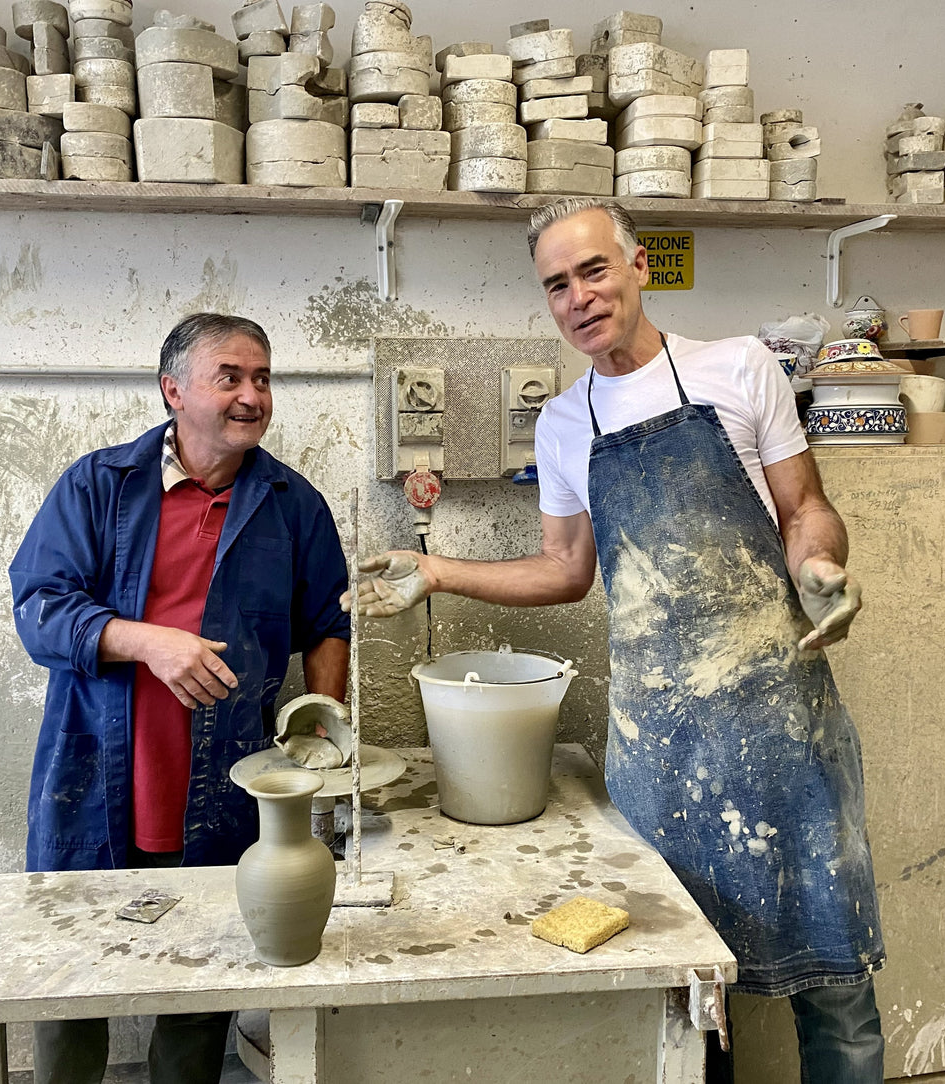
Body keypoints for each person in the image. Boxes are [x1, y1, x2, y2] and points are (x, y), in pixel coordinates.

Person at [348, 199, 886, 1082]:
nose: (579, 297)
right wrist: (437, 570)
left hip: (779, 725)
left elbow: (804, 509)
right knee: (684, 991)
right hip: (660, 745)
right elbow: (564, 568)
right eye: (556, 284)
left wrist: (820, 564)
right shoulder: (565, 424)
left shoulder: (737, 368)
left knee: (833, 978)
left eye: (593, 270)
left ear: (638, 265)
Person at [9, 313, 350, 1084]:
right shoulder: (98, 486)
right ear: (173, 390)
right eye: (229, 377)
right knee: (69, 981)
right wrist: (147, 641)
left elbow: (329, 623)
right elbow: (39, 610)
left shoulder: (293, 505)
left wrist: (325, 723)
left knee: (203, 984)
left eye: (262, 378)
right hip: (95, 780)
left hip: (226, 789)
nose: (251, 395)